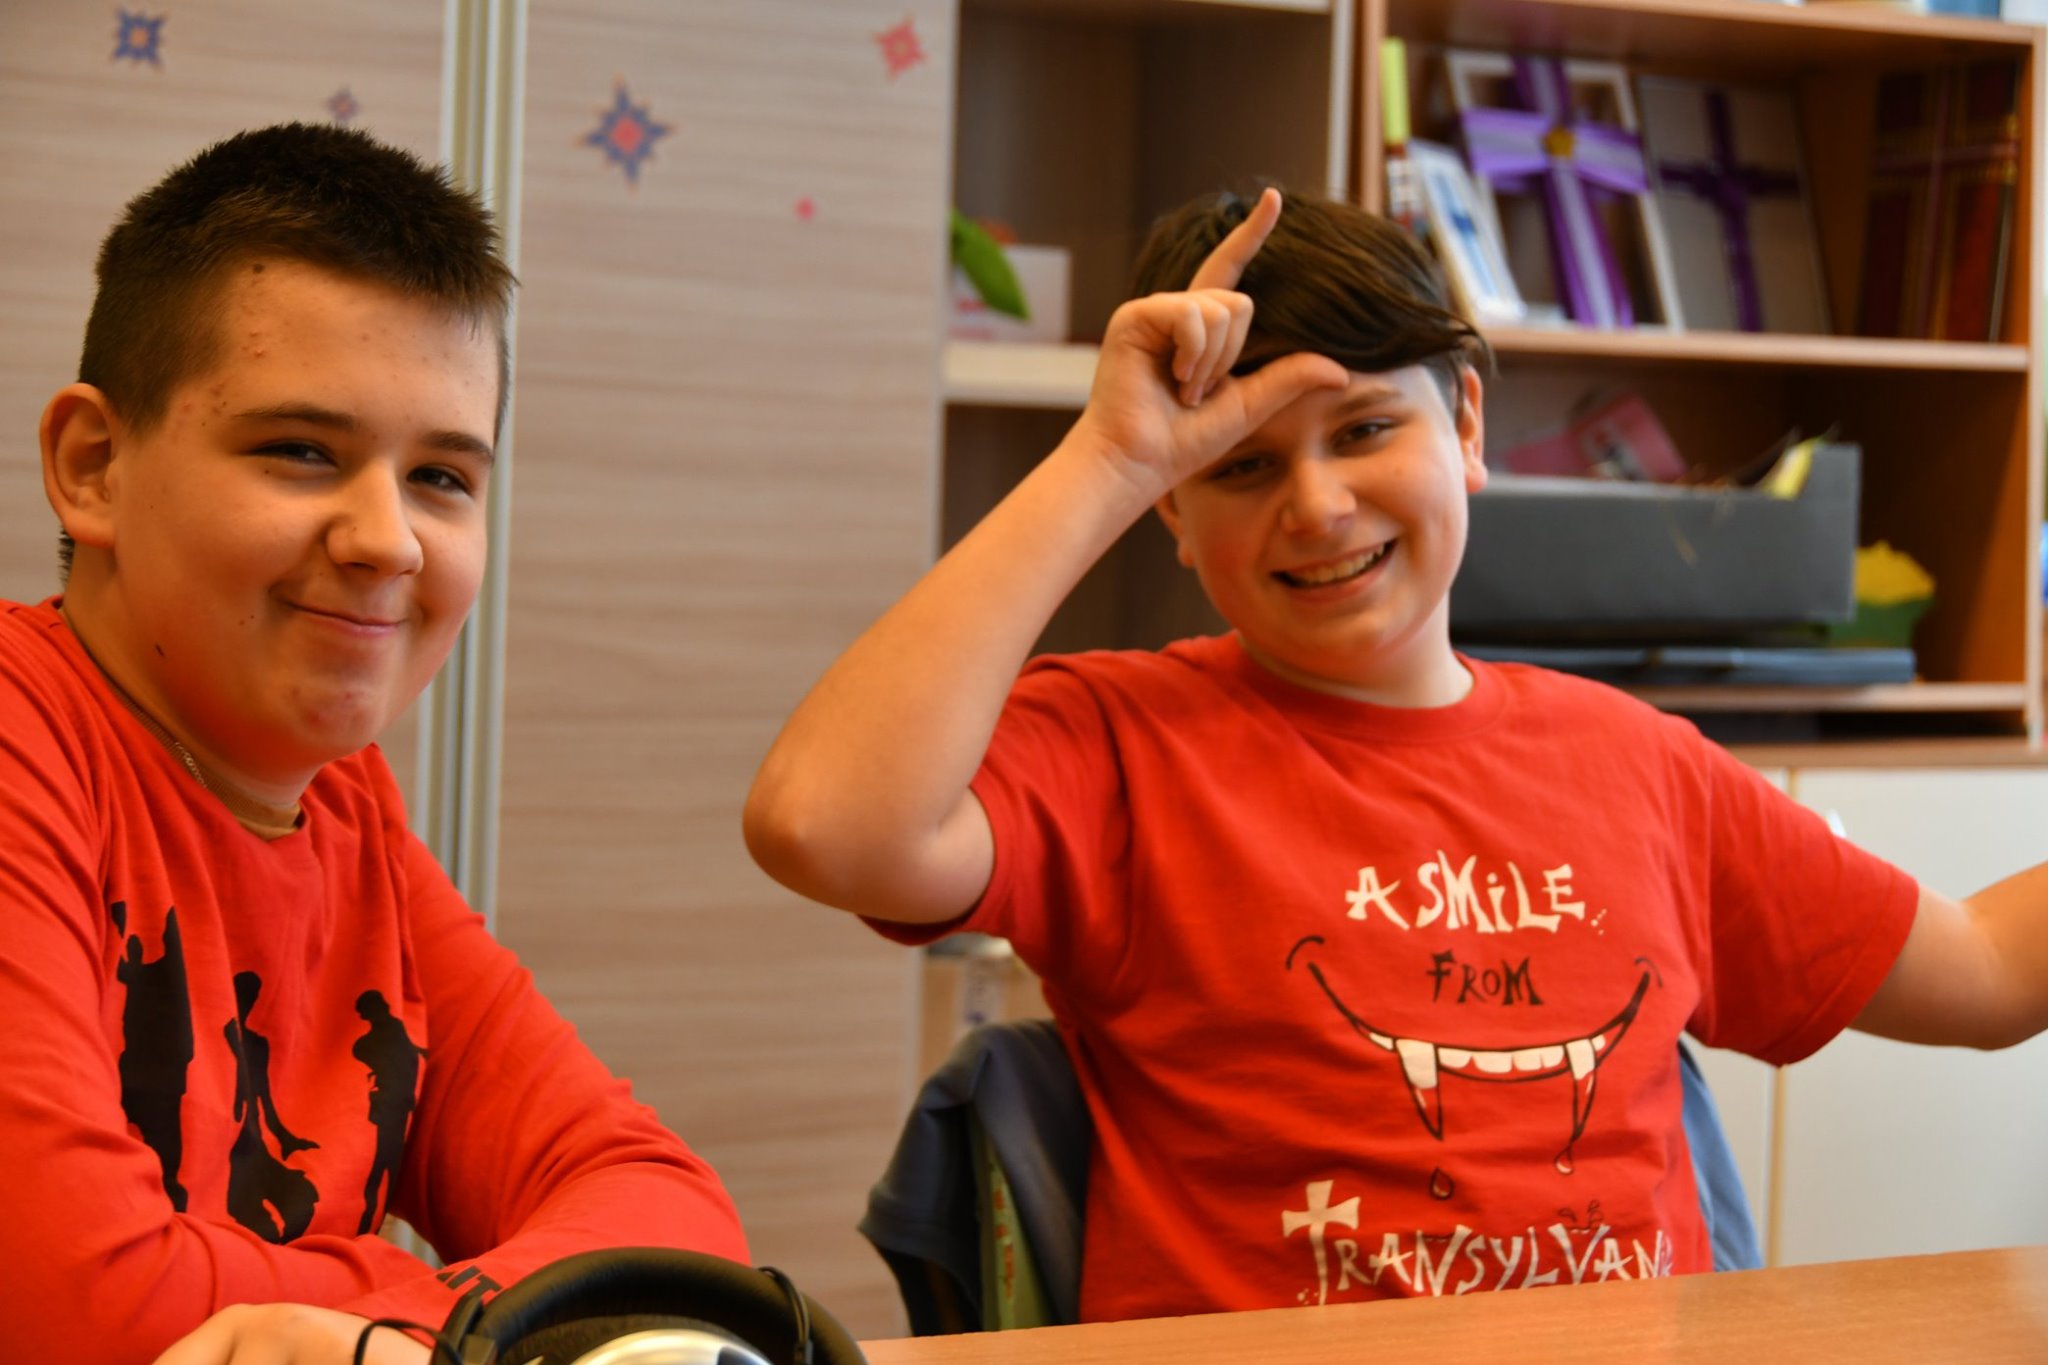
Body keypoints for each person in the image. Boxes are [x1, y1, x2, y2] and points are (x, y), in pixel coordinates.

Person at [744, 186, 2048, 1322]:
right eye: (1240, 466)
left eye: (1364, 430)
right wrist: (1108, 457)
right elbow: (826, 824)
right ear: (1171, 513)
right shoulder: (1116, 744)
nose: (1317, 506)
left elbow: (1986, 974)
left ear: (1466, 423)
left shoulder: (1640, 765)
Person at [0, 123, 747, 1364]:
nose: (387, 540)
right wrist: (460, 1314)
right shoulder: (25, 744)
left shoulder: (345, 808)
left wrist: (347, 1329)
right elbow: (72, 1311)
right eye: (301, 452)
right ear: (93, 467)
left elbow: (669, 1223)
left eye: (442, 477)